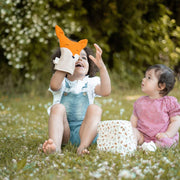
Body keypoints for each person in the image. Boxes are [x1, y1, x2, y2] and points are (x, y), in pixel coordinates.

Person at [43, 43, 111, 155]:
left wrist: (102, 67)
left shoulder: (90, 83)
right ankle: (55, 146)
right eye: (74, 56)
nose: (79, 59)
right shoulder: (62, 82)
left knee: (95, 108)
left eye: (84, 57)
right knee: (57, 108)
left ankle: (82, 147)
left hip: (86, 133)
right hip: (64, 133)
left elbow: (106, 91)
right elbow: (54, 86)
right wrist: (64, 63)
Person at [131, 64, 180, 148]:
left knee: (167, 143)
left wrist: (167, 134)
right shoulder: (139, 102)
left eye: (149, 78)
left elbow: (176, 121)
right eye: (145, 76)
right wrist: (131, 130)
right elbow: (134, 119)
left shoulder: (169, 102)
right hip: (143, 135)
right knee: (131, 132)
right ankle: (142, 145)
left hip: (161, 137)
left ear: (161, 86)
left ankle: (153, 147)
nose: (143, 79)